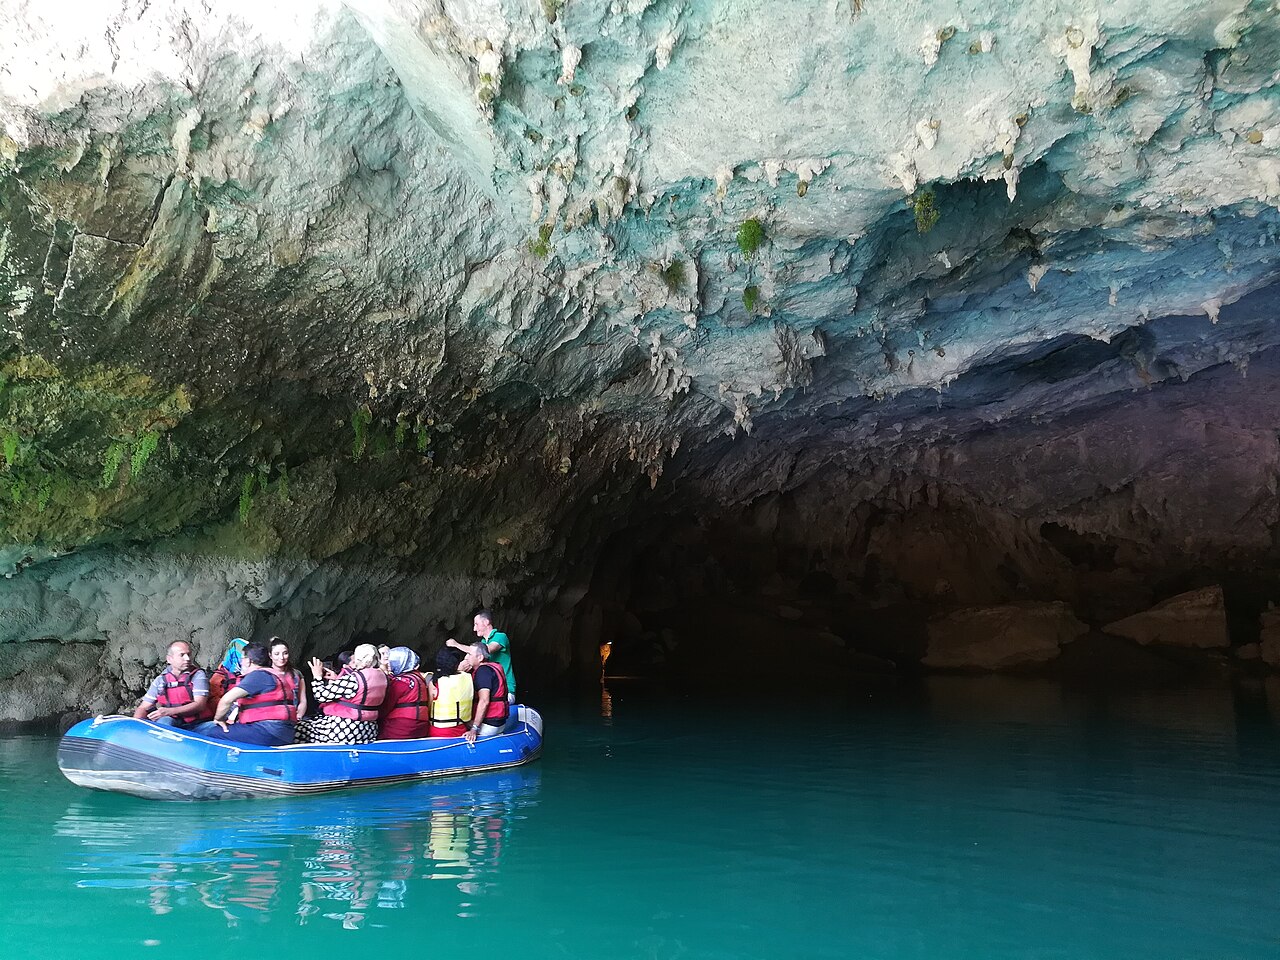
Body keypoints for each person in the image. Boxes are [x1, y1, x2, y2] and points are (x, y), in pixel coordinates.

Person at [191, 643, 298, 745]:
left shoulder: (258, 676)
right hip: (285, 733)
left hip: (267, 731)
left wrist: (218, 719)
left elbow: (226, 700)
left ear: (248, 661)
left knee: (211, 732)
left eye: (242, 658)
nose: (241, 662)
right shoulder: (274, 675)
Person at [294, 643, 387, 744]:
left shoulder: (354, 679)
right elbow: (361, 691)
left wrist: (317, 676)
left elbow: (321, 695)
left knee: (299, 729)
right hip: (369, 729)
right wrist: (337, 679)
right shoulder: (383, 677)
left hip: (346, 729)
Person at [133, 641, 212, 728]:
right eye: (182, 655)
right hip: (171, 722)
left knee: (215, 728)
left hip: (198, 724)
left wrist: (170, 711)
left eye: (188, 654)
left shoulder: (198, 675)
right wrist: (136, 726)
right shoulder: (160, 680)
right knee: (164, 721)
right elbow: (143, 707)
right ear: (169, 659)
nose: (187, 658)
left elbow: (200, 705)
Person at [448, 609, 516, 703]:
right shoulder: (482, 643)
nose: (474, 629)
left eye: (476, 624)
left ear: (486, 622)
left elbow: (486, 650)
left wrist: (457, 645)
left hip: (505, 690)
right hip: (489, 688)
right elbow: (469, 658)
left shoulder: (501, 637)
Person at [377, 646, 432, 740]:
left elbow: (386, 707)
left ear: (400, 662)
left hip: (402, 727)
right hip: (422, 725)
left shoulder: (401, 682)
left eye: (393, 661)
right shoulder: (419, 677)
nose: (389, 663)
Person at [459, 643, 509, 743]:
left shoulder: (483, 672)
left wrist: (474, 729)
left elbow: (484, 701)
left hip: (489, 725)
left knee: (455, 721)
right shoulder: (492, 667)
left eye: (469, 654)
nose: (466, 657)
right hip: (499, 723)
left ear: (480, 657)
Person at [428, 647, 473, 738]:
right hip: (461, 728)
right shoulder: (467, 677)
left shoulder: (435, 683)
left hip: (439, 730)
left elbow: (428, 708)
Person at [268, 637, 309, 720]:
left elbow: (303, 700)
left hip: (295, 717)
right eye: (277, 654)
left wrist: (299, 716)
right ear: (270, 655)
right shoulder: (265, 674)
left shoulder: (297, 674)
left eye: (285, 653)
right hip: (273, 719)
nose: (282, 657)